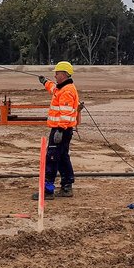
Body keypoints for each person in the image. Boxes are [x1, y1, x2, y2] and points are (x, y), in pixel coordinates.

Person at [32, 61, 80, 200]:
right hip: (63, 129)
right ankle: (67, 186)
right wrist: (45, 82)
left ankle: (48, 191)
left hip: (61, 130)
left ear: (64, 74)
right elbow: (53, 89)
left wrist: (60, 129)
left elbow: (65, 113)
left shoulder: (67, 91)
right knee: (63, 157)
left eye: (57, 73)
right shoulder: (62, 88)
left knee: (52, 158)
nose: (55, 75)